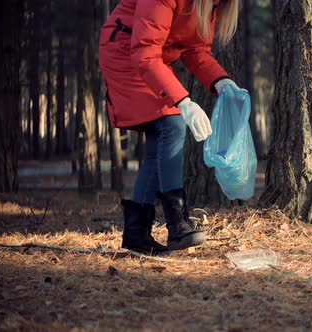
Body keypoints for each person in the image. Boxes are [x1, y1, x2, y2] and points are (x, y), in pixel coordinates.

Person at [99, 0, 242, 253]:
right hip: (127, 52)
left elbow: (196, 50)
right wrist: (183, 102)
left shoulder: (215, 3)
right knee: (173, 124)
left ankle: (136, 235)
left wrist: (221, 81)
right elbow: (144, 51)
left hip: (154, 58)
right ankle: (177, 224)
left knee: (162, 135)